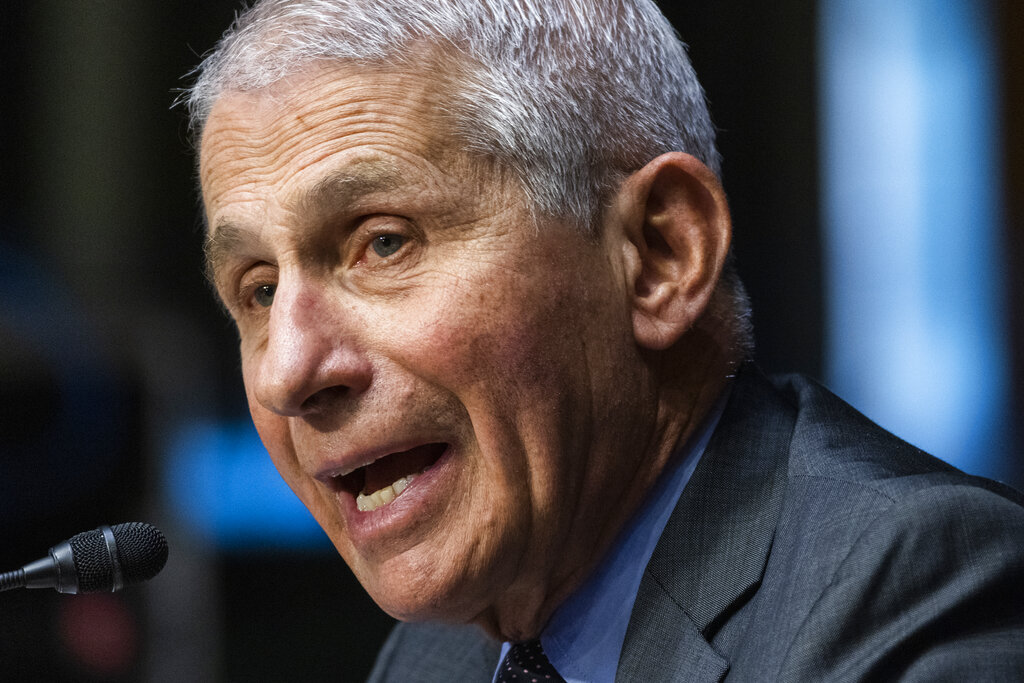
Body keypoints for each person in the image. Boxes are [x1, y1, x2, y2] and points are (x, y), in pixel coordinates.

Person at [187, 0, 1024, 680]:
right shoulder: (435, 658)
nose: (289, 371)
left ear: (662, 254)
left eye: (385, 242)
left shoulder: (921, 594)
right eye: (258, 290)